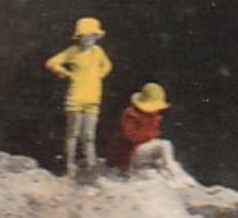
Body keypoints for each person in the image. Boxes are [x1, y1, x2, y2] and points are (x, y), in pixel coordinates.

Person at [45, 16, 113, 177]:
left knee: (89, 135)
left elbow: (108, 66)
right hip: (75, 98)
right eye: (86, 36)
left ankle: (91, 166)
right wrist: (67, 74)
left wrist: (97, 77)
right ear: (80, 37)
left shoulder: (98, 52)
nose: (89, 39)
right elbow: (52, 63)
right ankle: (70, 165)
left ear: (96, 37)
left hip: (93, 99)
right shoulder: (72, 52)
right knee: (73, 133)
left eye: (92, 36)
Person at [108, 82, 175, 175]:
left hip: (142, 150)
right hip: (131, 153)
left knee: (163, 147)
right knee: (164, 145)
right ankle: (172, 172)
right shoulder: (131, 115)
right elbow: (130, 136)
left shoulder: (154, 116)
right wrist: (150, 135)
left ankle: (170, 168)